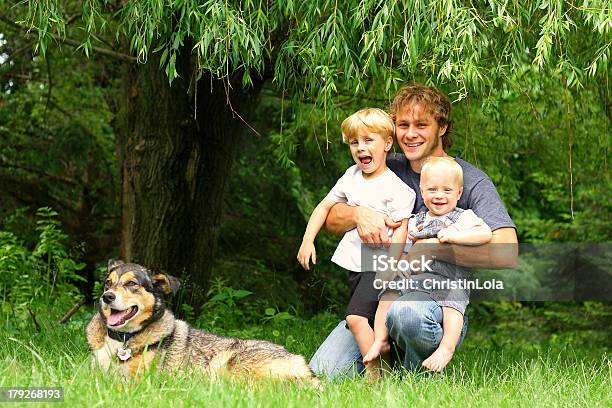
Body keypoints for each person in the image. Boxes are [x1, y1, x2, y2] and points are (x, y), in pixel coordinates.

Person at [309, 84, 518, 378]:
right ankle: (387, 356)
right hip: (378, 294)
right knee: (323, 374)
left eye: (422, 125)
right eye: (403, 125)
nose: (410, 134)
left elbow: (507, 251)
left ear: (442, 127)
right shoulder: (383, 167)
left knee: (408, 314)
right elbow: (331, 218)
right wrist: (359, 214)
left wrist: (433, 249)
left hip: (433, 301)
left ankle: (416, 377)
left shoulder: (468, 180)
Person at [297, 108, 415, 378]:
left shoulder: (397, 189)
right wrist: (307, 240)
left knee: (356, 318)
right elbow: (325, 206)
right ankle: (383, 361)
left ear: (387, 143)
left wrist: (391, 266)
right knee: (363, 318)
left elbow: (401, 230)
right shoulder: (350, 176)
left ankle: (376, 370)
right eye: (354, 142)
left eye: (368, 140)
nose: (361, 148)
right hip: (358, 268)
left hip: (380, 265)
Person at [363, 156, 492, 373]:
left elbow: (485, 233)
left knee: (453, 304)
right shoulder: (417, 220)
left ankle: (446, 348)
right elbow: (401, 242)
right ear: (422, 192)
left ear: (459, 193)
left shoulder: (462, 218)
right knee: (388, 293)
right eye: (432, 190)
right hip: (416, 280)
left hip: (448, 279)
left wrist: (456, 236)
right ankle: (380, 340)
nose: (439, 195)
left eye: (447, 190)